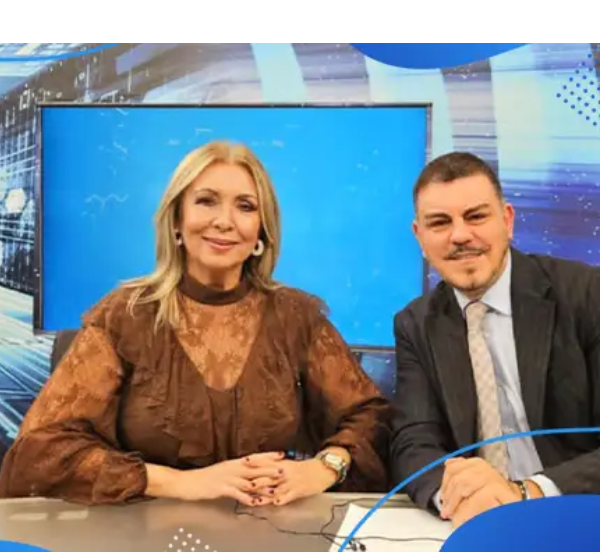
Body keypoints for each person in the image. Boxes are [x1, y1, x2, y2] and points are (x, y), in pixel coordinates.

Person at [0, 141, 391, 507]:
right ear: (177, 220)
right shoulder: (124, 315)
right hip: (147, 530)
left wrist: (323, 468)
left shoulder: (296, 316)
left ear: (261, 231)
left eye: (245, 206)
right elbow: (40, 450)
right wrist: (181, 483)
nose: (224, 221)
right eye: (206, 201)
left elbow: (372, 418)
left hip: (269, 526)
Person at [390, 151, 600, 528]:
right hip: (477, 520)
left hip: (577, 513)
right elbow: (414, 441)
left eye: (476, 217)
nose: (460, 236)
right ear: (419, 237)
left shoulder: (587, 295)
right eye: (440, 223)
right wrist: (453, 494)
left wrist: (528, 492)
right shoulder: (415, 324)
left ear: (507, 220)